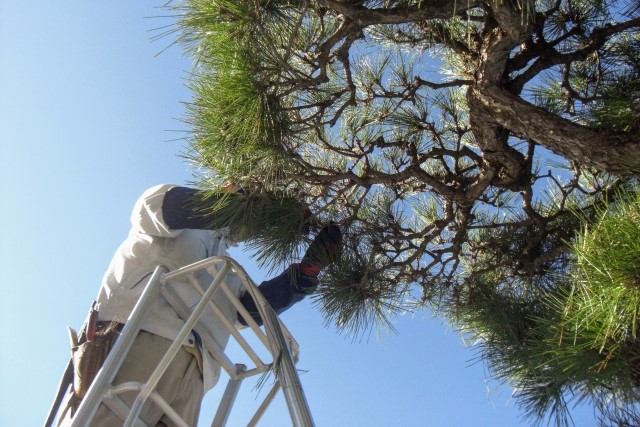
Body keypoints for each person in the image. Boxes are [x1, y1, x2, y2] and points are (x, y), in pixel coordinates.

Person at [58, 184, 342, 426]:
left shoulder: (228, 270)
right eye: (246, 202)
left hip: (196, 374)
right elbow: (174, 207)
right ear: (227, 191)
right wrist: (257, 209)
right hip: (137, 341)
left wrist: (307, 272)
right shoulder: (162, 209)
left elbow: (251, 309)